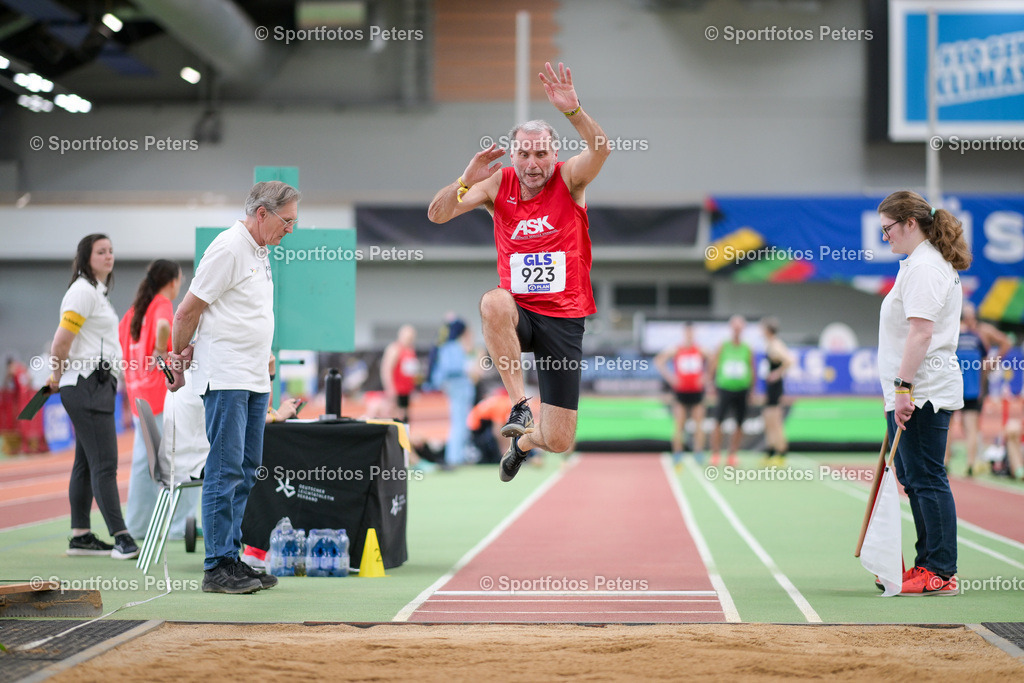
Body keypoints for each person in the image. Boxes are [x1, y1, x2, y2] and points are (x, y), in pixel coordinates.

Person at [427, 61, 611, 482]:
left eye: (541, 153)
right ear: (513, 155)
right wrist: (462, 180)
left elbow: (600, 149)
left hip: (564, 316)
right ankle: (519, 404)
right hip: (520, 313)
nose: (532, 163)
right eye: (524, 153)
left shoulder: (569, 180)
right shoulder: (497, 185)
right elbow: (438, 215)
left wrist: (573, 111)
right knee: (492, 301)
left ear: (554, 154)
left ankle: (523, 441)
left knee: (560, 440)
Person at [166, 180, 299, 594]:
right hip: (225, 377)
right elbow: (187, 310)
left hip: (252, 377)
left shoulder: (259, 251)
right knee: (224, 472)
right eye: (287, 221)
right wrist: (178, 357)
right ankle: (217, 566)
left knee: (245, 470)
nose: (290, 229)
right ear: (262, 213)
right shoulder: (228, 247)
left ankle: (231, 556)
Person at [876, 190, 971, 596]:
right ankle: (925, 563)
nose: (886, 238)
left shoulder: (926, 268)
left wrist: (903, 389)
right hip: (915, 391)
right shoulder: (916, 264)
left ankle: (940, 570)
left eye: (888, 229)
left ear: (909, 223)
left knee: (927, 478)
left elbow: (922, 331)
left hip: (923, 393)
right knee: (915, 479)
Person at [47, 234, 139, 559]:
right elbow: (60, 342)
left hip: (95, 384)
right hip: (85, 384)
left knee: (86, 463)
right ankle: (123, 537)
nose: (108, 255)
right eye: (101, 251)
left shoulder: (97, 292)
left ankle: (80, 535)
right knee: (105, 464)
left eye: (111, 250)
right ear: (86, 257)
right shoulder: (83, 292)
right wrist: (56, 377)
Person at [118, 259, 200, 540]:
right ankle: (179, 525)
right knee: (181, 457)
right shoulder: (162, 304)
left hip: (138, 392)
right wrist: (158, 350)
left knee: (145, 461)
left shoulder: (132, 313)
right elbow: (166, 325)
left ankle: (138, 524)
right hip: (161, 393)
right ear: (173, 281)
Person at [943, 301, 1011, 476]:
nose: (969, 319)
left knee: (969, 425)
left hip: (974, 382)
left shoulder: (983, 331)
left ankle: (968, 463)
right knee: (955, 426)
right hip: (959, 383)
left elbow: (1006, 342)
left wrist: (991, 364)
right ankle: (949, 461)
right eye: (967, 315)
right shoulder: (955, 329)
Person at [654, 323, 708, 469]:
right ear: (684, 333)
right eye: (687, 332)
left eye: (692, 333)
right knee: (679, 425)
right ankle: (677, 454)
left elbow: (714, 359)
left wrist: (706, 377)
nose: (689, 335)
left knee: (698, 424)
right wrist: (671, 378)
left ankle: (698, 453)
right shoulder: (677, 349)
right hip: (681, 391)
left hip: (697, 391)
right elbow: (659, 360)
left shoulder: (700, 349)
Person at [430, 319, 479, 466]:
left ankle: (457, 456)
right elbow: (450, 369)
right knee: (459, 423)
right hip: (459, 388)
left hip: (460, 387)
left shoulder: (451, 346)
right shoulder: (452, 347)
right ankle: (454, 458)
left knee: (461, 422)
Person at [709, 316, 755, 468]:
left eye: (739, 328)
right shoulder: (723, 346)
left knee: (739, 423)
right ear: (731, 328)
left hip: (742, 389)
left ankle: (732, 454)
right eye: (735, 327)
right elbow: (713, 365)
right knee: (718, 421)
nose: (737, 330)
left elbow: (751, 368)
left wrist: (752, 389)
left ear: (743, 330)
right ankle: (715, 454)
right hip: (725, 388)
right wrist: (710, 383)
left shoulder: (747, 347)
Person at [761, 317, 795, 468]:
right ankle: (770, 451)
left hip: (775, 387)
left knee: (775, 420)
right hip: (770, 387)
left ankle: (781, 453)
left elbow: (789, 360)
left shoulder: (775, 345)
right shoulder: (769, 344)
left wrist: (777, 373)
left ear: (768, 330)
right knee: (768, 418)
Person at [381, 325, 419, 423]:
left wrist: (413, 388)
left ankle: (405, 436)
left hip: (406, 390)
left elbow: (411, 373)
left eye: (411, 338)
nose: (409, 339)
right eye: (407, 337)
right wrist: (390, 388)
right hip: (396, 389)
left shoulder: (410, 350)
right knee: (393, 416)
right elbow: (386, 369)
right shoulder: (394, 349)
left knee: (405, 417)